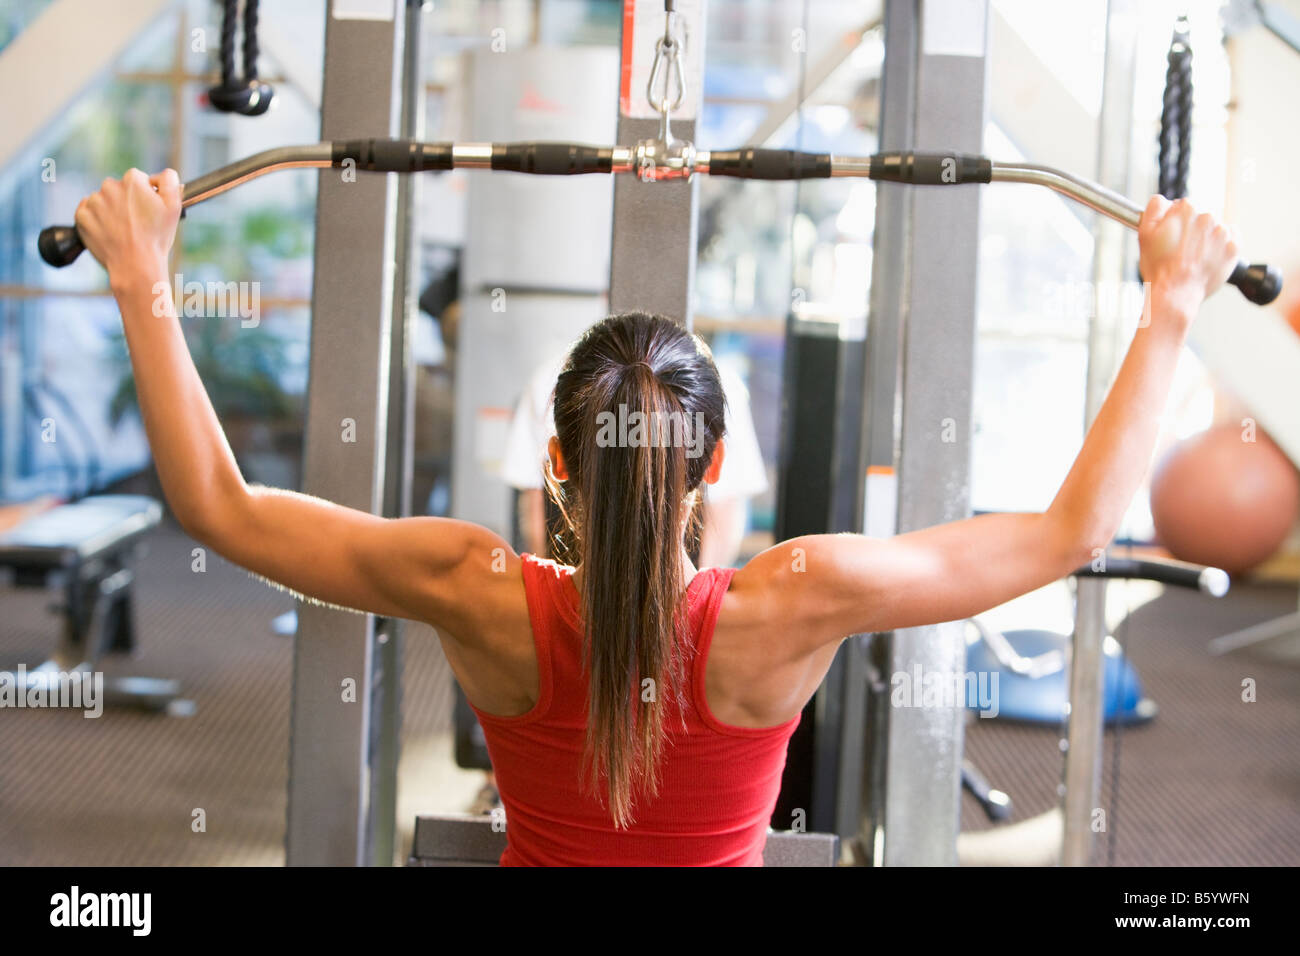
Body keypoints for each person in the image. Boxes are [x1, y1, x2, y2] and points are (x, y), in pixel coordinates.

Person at [75, 167, 1238, 866]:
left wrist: (142, 276)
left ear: (555, 465)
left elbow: (216, 504)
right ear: (714, 466)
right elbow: (1071, 532)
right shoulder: (793, 599)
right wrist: (1169, 304)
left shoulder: (473, 583)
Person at [502, 350, 768, 567]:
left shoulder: (553, 377)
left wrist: (553, 603)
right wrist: (700, 611)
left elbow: (535, 503)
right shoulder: (721, 386)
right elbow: (725, 508)